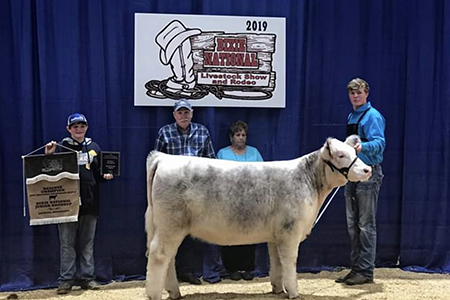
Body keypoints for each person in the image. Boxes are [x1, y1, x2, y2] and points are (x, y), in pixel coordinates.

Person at [154, 99, 223, 284]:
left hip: (197, 191)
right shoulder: (164, 132)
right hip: (172, 191)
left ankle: (188, 271)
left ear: (192, 114)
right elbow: (156, 163)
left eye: (186, 112)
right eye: (180, 113)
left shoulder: (202, 132)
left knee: (192, 232)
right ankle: (169, 272)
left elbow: (211, 162)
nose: (183, 116)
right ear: (174, 115)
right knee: (170, 232)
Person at [45, 113, 114, 294]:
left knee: (87, 243)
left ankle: (87, 278)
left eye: (82, 126)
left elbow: (99, 175)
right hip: (66, 204)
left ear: (86, 127)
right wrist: (49, 156)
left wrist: (107, 175)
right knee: (67, 243)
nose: (78, 129)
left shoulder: (94, 147)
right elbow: (49, 174)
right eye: (75, 126)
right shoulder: (61, 147)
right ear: (68, 129)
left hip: (90, 202)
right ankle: (66, 280)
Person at [335, 78, 385, 285]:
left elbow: (379, 143)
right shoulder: (351, 116)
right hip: (352, 174)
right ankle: (356, 268)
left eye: (359, 93)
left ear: (366, 94)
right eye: (352, 93)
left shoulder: (372, 116)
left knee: (365, 225)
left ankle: (366, 272)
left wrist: (362, 147)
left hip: (368, 174)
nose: (355, 96)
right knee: (352, 225)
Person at [217, 120, 266, 281]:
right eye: (237, 135)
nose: (241, 138)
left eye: (243, 135)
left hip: (251, 200)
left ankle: (247, 268)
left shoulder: (254, 152)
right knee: (230, 234)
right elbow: (218, 177)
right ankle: (231, 269)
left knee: (249, 234)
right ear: (231, 137)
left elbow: (263, 174)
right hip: (229, 200)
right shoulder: (222, 153)